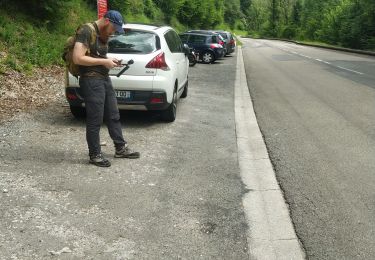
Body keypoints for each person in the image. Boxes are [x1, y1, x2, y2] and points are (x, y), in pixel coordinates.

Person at [72, 10, 140, 167]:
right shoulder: (86, 30)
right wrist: (104, 62)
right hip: (91, 80)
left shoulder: (102, 33)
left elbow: (94, 55)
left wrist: (109, 60)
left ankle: (120, 148)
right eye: (114, 28)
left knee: (113, 114)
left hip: (103, 78)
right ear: (107, 21)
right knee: (95, 118)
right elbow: (78, 57)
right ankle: (95, 154)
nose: (114, 32)